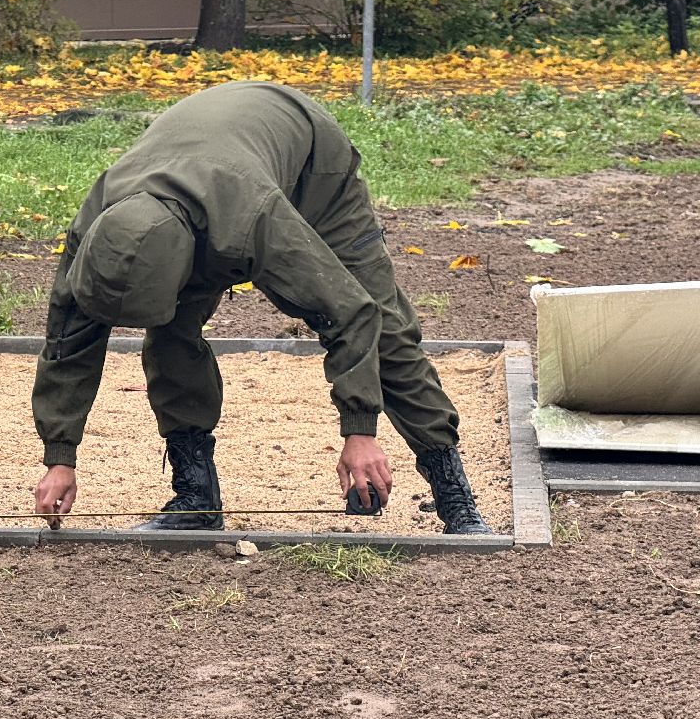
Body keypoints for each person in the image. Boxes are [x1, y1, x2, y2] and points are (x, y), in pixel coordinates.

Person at [30, 81, 492, 535]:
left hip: (309, 163)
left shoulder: (253, 221)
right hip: (205, 168)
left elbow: (351, 313)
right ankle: (196, 499)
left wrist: (359, 430)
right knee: (171, 335)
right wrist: (60, 457)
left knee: (385, 331)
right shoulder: (97, 230)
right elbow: (68, 340)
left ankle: (455, 496)